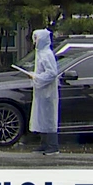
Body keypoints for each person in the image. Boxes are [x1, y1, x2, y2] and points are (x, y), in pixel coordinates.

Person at [29, 28, 61, 156]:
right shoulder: (41, 54)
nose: (35, 41)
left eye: (36, 38)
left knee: (49, 118)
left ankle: (53, 146)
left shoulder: (47, 54)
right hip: (41, 92)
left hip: (48, 92)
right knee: (41, 117)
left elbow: (52, 73)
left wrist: (37, 77)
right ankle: (44, 143)